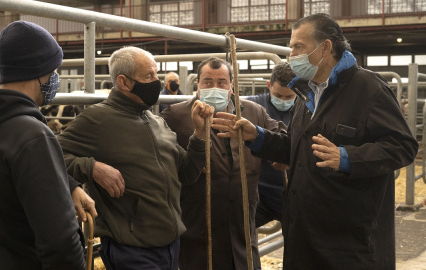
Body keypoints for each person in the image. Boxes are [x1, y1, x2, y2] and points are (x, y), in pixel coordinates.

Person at [211, 13, 418, 270]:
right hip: (305, 234)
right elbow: (297, 148)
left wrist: (346, 158)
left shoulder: (368, 88)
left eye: (299, 46)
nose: (292, 54)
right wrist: (257, 136)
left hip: (349, 240)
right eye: (292, 47)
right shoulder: (306, 93)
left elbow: (403, 146)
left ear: (326, 47)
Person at [0, 20, 97, 270]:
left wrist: (67, 185)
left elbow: (7, 187)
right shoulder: (32, 135)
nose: (55, 78)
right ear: (40, 71)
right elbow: (60, 243)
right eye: (54, 70)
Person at [57, 46, 214, 270]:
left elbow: (188, 173)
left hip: (170, 243)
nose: (156, 82)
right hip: (131, 248)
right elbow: (50, 154)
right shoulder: (97, 120)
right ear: (124, 82)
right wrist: (91, 168)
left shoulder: (156, 121)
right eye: (148, 76)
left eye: (156, 75)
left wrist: (199, 134)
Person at [160, 57, 286, 270]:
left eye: (222, 82)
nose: (215, 87)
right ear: (197, 85)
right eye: (208, 82)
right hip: (198, 223)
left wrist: (279, 156)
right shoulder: (176, 115)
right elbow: (160, 154)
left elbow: (281, 139)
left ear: (231, 85)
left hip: (242, 222)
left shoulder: (254, 111)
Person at [245, 62, 296, 227]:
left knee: (296, 245)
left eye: (289, 97)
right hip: (261, 195)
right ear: (269, 85)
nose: (283, 101)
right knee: (242, 232)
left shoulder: (304, 110)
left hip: (293, 194)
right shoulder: (253, 108)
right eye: (278, 95)